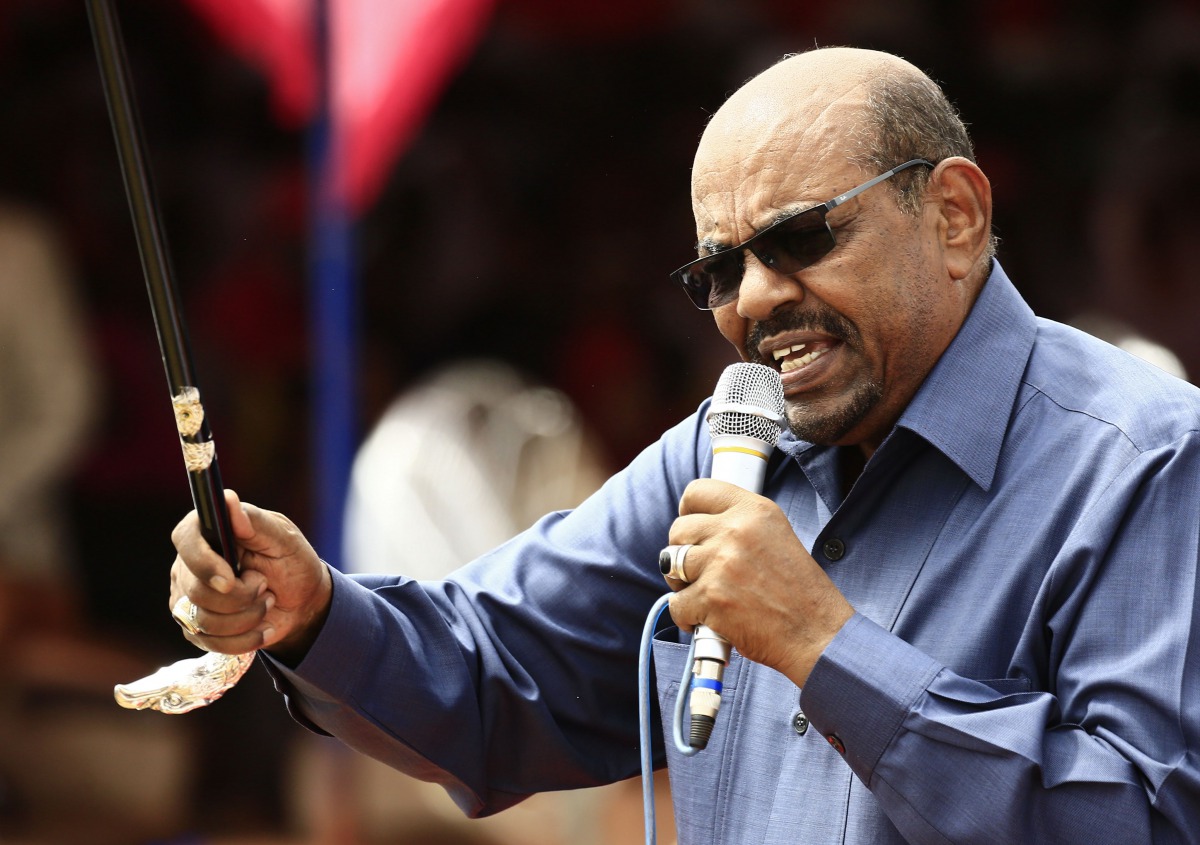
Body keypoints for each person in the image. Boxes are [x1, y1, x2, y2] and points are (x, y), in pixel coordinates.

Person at [167, 47, 1200, 844]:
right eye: (720, 270)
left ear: (955, 216)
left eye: (802, 237)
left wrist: (828, 646)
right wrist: (313, 612)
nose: (756, 298)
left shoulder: (1145, 462)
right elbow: (497, 671)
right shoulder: (735, 445)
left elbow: (1151, 819)